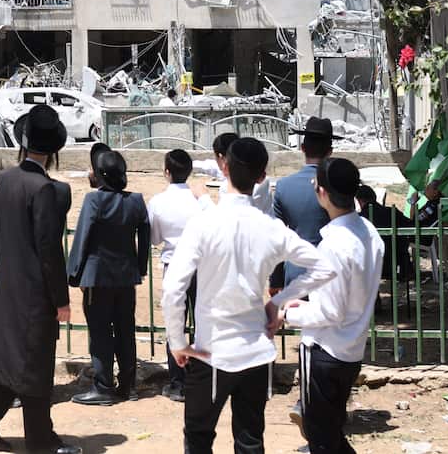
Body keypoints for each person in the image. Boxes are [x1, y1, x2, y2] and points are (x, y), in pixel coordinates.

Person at [162, 137, 337, 454]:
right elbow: (324, 268)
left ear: (223, 167)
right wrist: (278, 302)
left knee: (199, 437)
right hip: (256, 351)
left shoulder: (204, 223)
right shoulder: (270, 228)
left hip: (212, 350)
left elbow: (173, 288)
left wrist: (176, 340)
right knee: (250, 439)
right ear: (261, 176)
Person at [0, 105, 80, 454]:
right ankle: (40, 441)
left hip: (8, 287)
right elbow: (49, 251)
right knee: (35, 365)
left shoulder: (6, 180)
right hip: (34, 294)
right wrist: (61, 299)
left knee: (14, 359)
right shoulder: (45, 189)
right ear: (54, 150)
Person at [277, 159, 384, 454]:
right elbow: (347, 294)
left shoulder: (334, 245)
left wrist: (288, 314)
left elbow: (329, 313)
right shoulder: (369, 232)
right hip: (350, 348)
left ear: (321, 192)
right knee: (332, 432)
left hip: (325, 351)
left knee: (320, 436)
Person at [68, 149, 150, 406]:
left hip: (98, 277)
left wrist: (74, 273)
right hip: (126, 277)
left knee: (101, 331)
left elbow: (82, 237)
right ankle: (128, 385)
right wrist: (140, 267)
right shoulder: (136, 200)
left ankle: (103, 386)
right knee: (125, 329)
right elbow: (144, 236)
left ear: (102, 175)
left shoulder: (94, 201)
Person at [148, 149, 211, 402]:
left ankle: (177, 381)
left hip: (174, 264)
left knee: (175, 323)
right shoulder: (199, 200)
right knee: (203, 321)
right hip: (202, 265)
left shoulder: (158, 202)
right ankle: (202, 377)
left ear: (166, 172)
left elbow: (154, 239)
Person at [273, 117, 341, 285]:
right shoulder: (338, 186)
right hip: (333, 272)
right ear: (330, 151)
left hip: (296, 272)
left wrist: (276, 280)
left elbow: (277, 238)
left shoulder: (283, 187)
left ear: (302, 148)